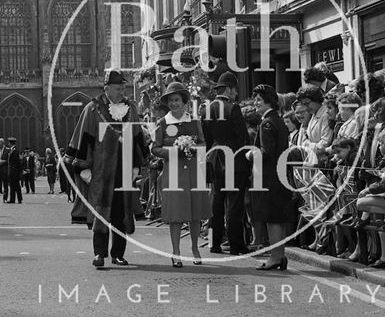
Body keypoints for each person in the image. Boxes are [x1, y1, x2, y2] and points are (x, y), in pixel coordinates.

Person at [65, 69, 144, 269]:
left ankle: (118, 253)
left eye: (123, 88)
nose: (122, 92)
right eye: (118, 88)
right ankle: (99, 254)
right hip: (101, 172)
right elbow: (84, 138)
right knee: (101, 214)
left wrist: (136, 166)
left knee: (121, 213)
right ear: (107, 88)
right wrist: (84, 168)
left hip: (123, 170)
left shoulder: (131, 109)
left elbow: (136, 139)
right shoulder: (93, 109)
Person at [152, 81, 212, 267]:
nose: (174, 104)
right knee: (176, 215)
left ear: (184, 101)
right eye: (170, 101)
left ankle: (194, 248)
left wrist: (193, 148)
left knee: (195, 213)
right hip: (173, 173)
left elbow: (203, 143)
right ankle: (176, 251)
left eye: (177, 100)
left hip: (194, 171)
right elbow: (155, 149)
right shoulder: (162, 123)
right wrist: (174, 151)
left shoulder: (194, 122)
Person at [202, 72, 250, 256]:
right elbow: (242, 138)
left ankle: (214, 243)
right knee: (234, 205)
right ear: (228, 89)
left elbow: (206, 138)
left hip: (215, 159)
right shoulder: (233, 108)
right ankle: (236, 244)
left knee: (216, 203)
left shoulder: (207, 109)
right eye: (234, 90)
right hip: (234, 159)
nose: (235, 93)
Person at [246, 84, 292, 271]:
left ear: (268, 101)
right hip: (279, 174)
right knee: (278, 218)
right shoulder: (277, 120)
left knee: (272, 218)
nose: (255, 103)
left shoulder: (266, 123)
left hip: (269, 176)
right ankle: (279, 256)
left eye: (258, 99)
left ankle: (275, 256)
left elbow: (266, 152)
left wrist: (250, 154)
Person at [7, 137, 22, 204]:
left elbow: (17, 162)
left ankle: (19, 198)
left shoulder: (15, 151)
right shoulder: (11, 150)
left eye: (9, 142)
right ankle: (12, 199)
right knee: (12, 185)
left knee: (16, 185)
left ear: (10, 143)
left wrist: (17, 171)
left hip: (14, 171)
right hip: (12, 170)